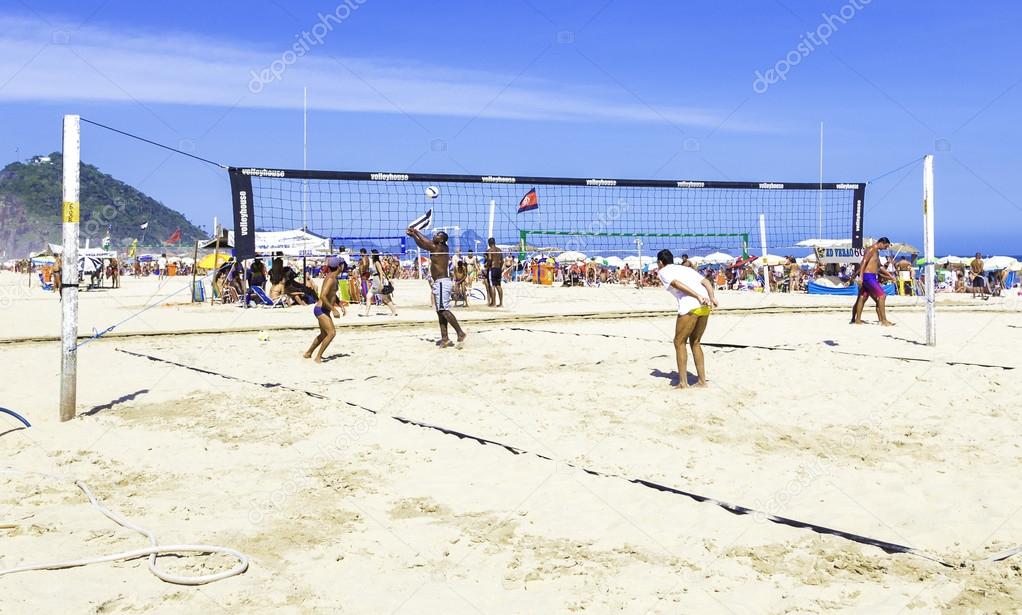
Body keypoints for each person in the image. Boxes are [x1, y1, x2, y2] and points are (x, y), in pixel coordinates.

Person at [657, 249, 717, 389]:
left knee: (679, 342)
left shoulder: (663, 271)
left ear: (661, 262)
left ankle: (683, 383)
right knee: (695, 342)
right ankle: (702, 381)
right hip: (705, 306)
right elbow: (706, 281)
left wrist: (697, 296)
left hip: (691, 305)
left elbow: (676, 284)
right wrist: (712, 297)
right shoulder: (685, 268)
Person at [406, 227, 467, 348]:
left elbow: (426, 242)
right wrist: (413, 236)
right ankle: (445, 339)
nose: (435, 236)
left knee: (443, 310)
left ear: (442, 240)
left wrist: (416, 231)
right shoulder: (440, 247)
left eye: (438, 235)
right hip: (440, 282)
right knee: (440, 312)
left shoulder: (438, 247)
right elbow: (423, 245)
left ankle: (460, 333)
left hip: (441, 283)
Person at [304, 256, 343, 363]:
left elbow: (332, 294)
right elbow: (323, 296)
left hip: (325, 310)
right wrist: (334, 310)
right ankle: (318, 357)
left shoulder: (334, 278)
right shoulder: (330, 279)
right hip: (320, 309)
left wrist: (340, 304)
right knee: (331, 333)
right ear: (339, 266)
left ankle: (308, 353)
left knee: (324, 334)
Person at [851, 237, 895, 325]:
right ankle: (883, 320)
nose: (885, 248)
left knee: (862, 298)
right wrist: (861, 277)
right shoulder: (871, 249)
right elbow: (863, 262)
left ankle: (857, 320)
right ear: (881, 243)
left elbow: (879, 267)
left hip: (871, 276)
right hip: (868, 276)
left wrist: (890, 276)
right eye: (885, 246)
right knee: (882, 296)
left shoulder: (876, 252)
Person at [363, 250, 397, 316]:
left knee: (385, 298)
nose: (370, 254)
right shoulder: (373, 262)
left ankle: (394, 312)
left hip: (378, 281)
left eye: (371, 253)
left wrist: (381, 283)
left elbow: (381, 273)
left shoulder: (377, 262)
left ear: (374, 255)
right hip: (375, 281)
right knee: (368, 296)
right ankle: (366, 313)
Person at [484, 238, 504, 307]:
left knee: (492, 285)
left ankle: (494, 303)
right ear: (494, 242)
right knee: (498, 286)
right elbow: (502, 261)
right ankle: (501, 303)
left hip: (492, 269)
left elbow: (489, 259)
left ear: (489, 243)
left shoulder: (489, 250)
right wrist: (500, 268)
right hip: (498, 268)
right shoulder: (499, 250)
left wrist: (487, 266)